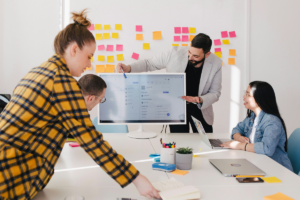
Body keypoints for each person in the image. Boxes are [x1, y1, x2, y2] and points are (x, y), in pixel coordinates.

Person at [0, 9, 160, 200]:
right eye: (89, 56)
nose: (89, 65)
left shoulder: (38, 70)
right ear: (74, 49)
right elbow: (91, 141)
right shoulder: (61, 81)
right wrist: (137, 179)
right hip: (11, 174)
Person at [117, 33, 222, 133]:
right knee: (179, 145)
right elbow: (149, 63)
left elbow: (215, 93)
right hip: (176, 108)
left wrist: (199, 99)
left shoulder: (216, 63)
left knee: (205, 145)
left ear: (207, 54)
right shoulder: (174, 52)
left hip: (200, 109)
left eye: (196, 56)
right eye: (189, 52)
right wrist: (129, 68)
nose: (190, 57)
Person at [220, 81, 293, 171]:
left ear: (260, 98)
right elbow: (237, 129)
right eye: (245, 93)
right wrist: (238, 137)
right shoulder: (252, 117)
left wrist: (240, 145)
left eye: (248, 95)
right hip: (258, 164)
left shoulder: (272, 121)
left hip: (277, 170)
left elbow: (267, 148)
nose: (244, 97)